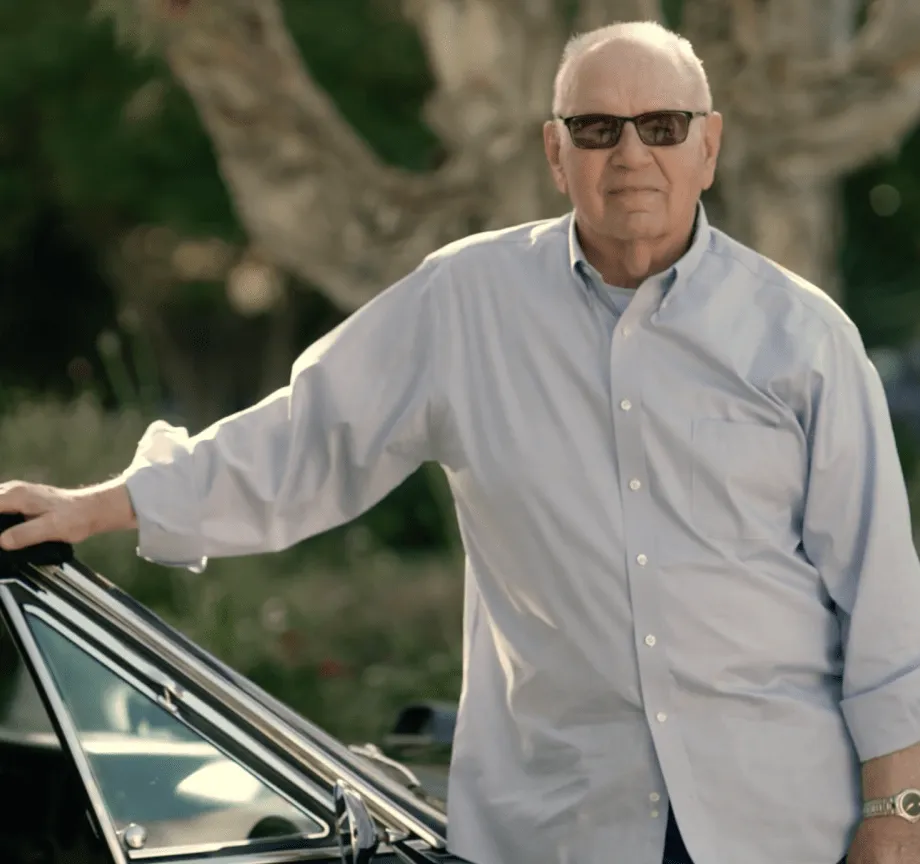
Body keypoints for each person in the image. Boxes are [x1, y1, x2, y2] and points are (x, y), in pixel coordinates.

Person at [1, 19, 919, 864]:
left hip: (779, 824)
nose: (632, 153)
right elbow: (304, 438)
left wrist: (896, 811)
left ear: (708, 147)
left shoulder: (804, 338)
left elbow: (879, 595)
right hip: (561, 827)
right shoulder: (463, 303)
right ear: (555, 153)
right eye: (598, 130)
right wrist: (102, 506)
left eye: (663, 126)